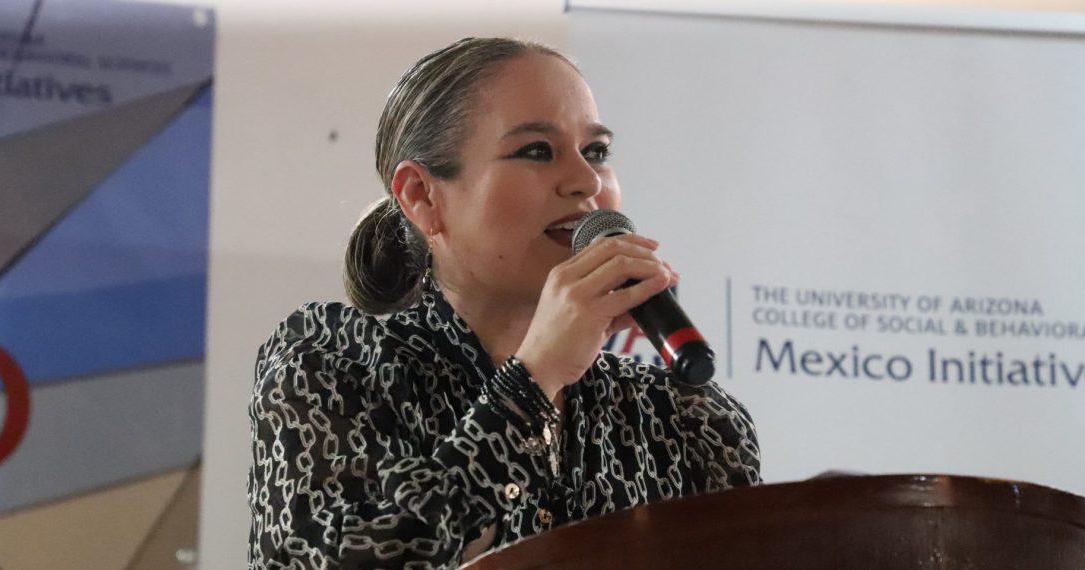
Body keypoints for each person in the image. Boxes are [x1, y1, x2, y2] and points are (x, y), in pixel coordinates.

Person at [248, 37, 761, 569]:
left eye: (596, 152)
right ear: (422, 195)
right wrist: (532, 382)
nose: (586, 181)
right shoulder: (334, 364)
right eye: (536, 151)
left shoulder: (682, 418)